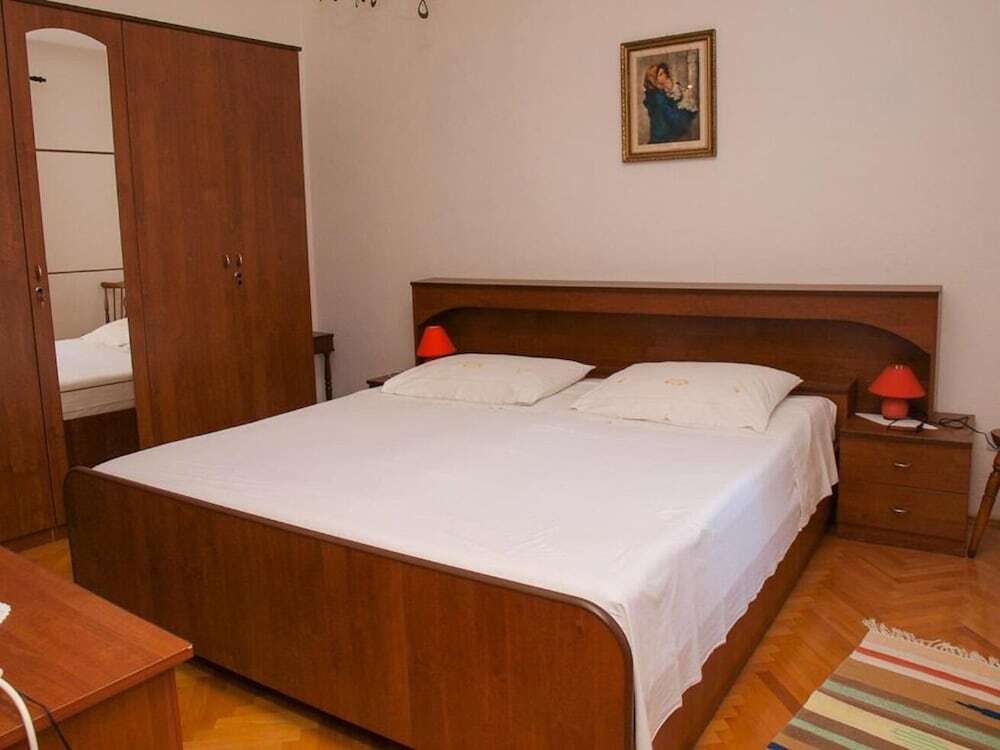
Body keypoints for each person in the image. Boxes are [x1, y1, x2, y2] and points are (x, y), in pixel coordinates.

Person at [642, 63, 696, 143]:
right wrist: (688, 112)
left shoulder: (659, 94)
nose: (665, 75)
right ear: (653, 79)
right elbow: (674, 118)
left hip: (663, 137)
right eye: (661, 74)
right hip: (663, 139)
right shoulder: (658, 97)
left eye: (664, 72)